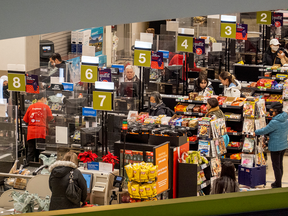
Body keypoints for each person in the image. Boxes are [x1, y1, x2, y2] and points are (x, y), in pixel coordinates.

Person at [255, 102, 288, 188]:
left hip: (276, 147)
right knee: (280, 165)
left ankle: (278, 184)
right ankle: (278, 181)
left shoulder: (274, 122)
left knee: (276, 166)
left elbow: (264, 131)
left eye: (272, 110)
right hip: (283, 145)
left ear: (276, 111)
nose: (270, 112)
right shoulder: (285, 118)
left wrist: (254, 131)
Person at [23, 91, 53, 164]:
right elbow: (51, 119)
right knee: (42, 153)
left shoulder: (31, 106)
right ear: (43, 98)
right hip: (41, 132)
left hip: (31, 133)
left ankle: (28, 169)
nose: (46, 101)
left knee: (31, 152)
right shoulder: (46, 107)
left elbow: (25, 120)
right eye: (46, 99)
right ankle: (42, 168)